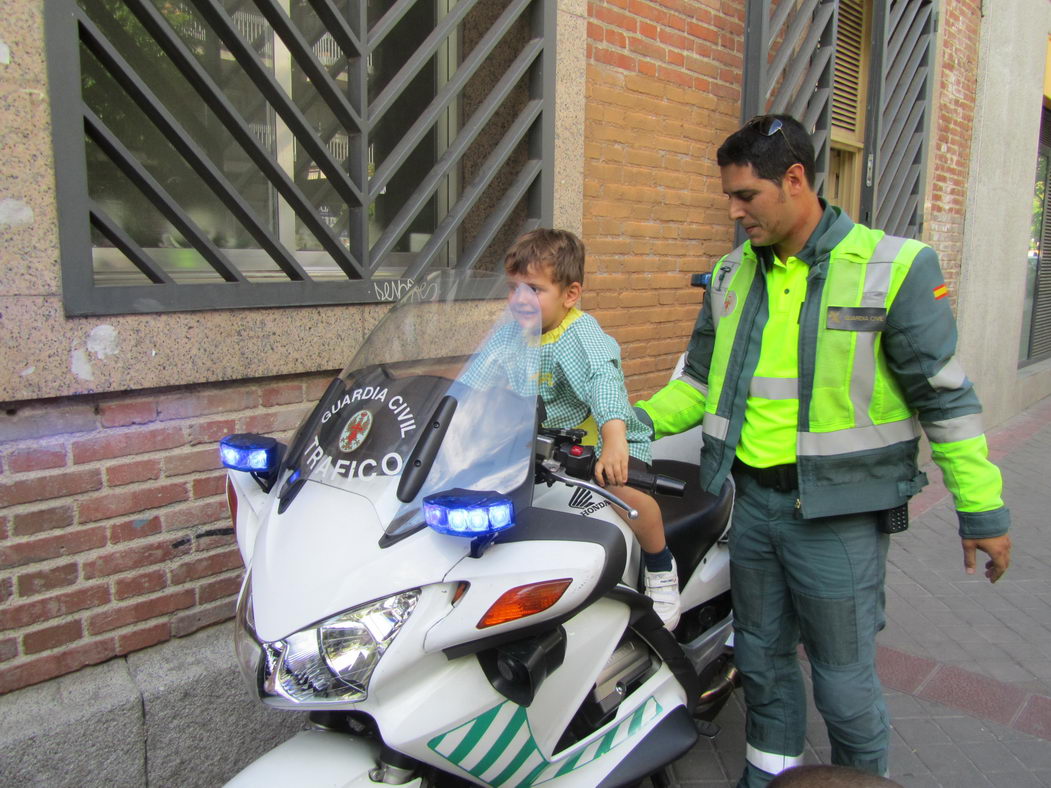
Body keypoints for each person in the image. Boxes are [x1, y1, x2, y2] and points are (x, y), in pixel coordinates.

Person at [633, 115, 1012, 786]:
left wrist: (981, 514)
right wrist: (623, 423)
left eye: (745, 195)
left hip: (837, 519)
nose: (732, 210)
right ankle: (765, 777)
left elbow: (946, 400)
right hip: (750, 509)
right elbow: (695, 383)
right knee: (760, 664)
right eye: (728, 195)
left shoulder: (891, 267)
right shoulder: (729, 275)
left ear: (796, 180)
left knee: (841, 682)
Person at [504, 228, 681, 629]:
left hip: (603, 442)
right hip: (547, 450)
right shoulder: (514, 335)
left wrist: (615, 438)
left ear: (570, 295)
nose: (519, 300)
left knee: (624, 494)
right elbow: (478, 377)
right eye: (512, 289)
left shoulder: (578, 333)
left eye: (533, 289)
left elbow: (604, 379)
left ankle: (660, 568)